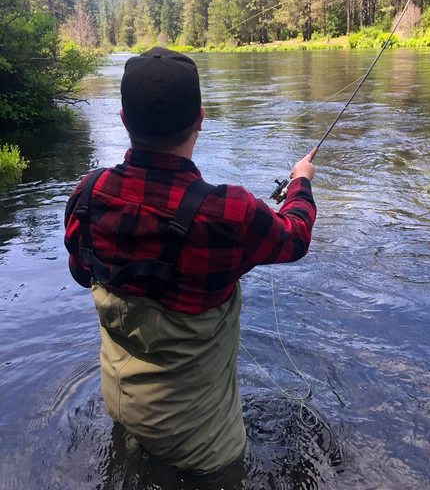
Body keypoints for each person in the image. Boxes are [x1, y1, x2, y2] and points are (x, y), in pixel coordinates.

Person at [64, 47, 317, 475]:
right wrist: (300, 184)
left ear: (124, 120)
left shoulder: (87, 195)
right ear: (200, 118)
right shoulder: (230, 213)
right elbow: (295, 237)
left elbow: (80, 272)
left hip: (121, 405)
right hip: (203, 449)